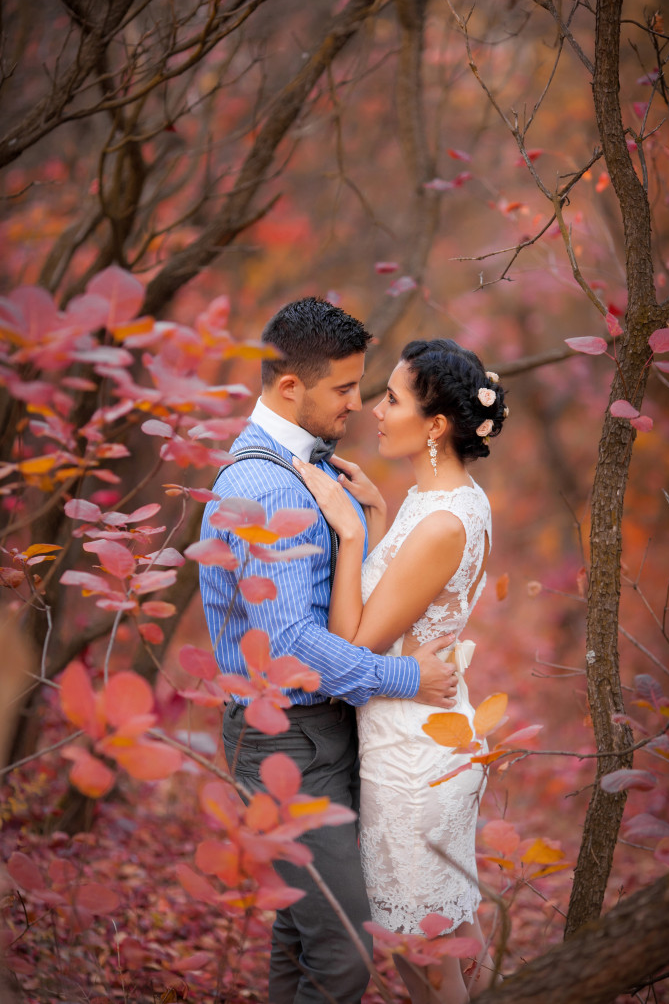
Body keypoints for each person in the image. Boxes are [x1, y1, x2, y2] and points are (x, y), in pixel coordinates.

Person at [199, 298, 459, 1004]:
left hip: (322, 731)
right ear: (291, 387)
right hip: (286, 742)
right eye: (343, 388)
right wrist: (405, 676)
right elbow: (290, 643)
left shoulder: (302, 469)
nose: (357, 403)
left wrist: (365, 525)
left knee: (302, 938)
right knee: (344, 951)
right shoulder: (260, 483)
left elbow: (320, 602)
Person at [292, 338, 507, 1004]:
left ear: (436, 425)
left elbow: (354, 642)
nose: (374, 411)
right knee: (424, 946)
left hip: (414, 753)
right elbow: (407, 601)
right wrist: (381, 513)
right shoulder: (435, 499)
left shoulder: (444, 520)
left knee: (424, 953)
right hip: (409, 732)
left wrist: (350, 533)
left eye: (391, 398)